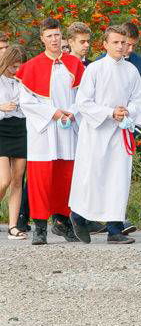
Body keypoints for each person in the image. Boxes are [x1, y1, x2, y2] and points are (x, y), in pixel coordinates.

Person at [68, 26, 141, 245]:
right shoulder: (94, 69)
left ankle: (114, 229)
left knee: (118, 179)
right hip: (96, 133)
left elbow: (139, 99)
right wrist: (109, 112)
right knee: (93, 178)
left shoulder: (131, 71)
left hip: (119, 132)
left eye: (123, 42)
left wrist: (128, 110)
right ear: (104, 44)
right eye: (115, 42)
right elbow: (83, 103)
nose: (120, 46)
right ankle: (78, 216)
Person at [16, 17, 86, 245]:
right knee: (40, 178)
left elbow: (83, 97)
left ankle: (62, 222)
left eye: (57, 35)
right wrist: (54, 113)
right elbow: (27, 102)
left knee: (65, 177)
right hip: (43, 132)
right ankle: (39, 227)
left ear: (62, 36)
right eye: (49, 36)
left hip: (67, 129)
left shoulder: (74, 65)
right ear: (42, 39)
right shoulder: (31, 67)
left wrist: (72, 112)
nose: (54, 40)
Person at [0, 44, 28, 240]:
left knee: (18, 180)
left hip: (21, 129)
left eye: (19, 66)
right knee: (4, 180)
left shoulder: (24, 81)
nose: (15, 70)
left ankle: (13, 225)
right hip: (1, 129)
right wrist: (1, 107)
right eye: (12, 66)